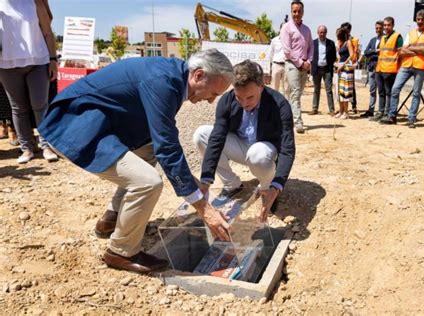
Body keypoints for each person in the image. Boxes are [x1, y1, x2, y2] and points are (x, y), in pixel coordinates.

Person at [38, 49, 235, 274]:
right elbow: (167, 146)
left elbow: (162, 138)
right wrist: (204, 208)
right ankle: (121, 251)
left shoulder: (173, 77)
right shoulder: (164, 81)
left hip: (98, 122)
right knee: (148, 182)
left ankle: (112, 218)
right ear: (198, 75)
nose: (211, 101)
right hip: (76, 126)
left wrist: (190, 182)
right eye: (213, 93)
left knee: (149, 148)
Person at [193, 60, 295, 222]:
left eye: (250, 97)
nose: (244, 103)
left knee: (258, 155)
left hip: (265, 151)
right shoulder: (227, 100)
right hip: (241, 146)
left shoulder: (279, 105)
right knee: (202, 134)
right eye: (239, 97)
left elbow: (287, 148)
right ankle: (232, 184)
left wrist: (277, 186)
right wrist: (205, 180)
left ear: (261, 86)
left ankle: (267, 189)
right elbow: (217, 137)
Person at [0, 0, 58, 163]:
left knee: (40, 105)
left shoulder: (35, 2)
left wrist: (53, 60)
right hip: (6, 64)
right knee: (18, 108)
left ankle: (46, 146)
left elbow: (48, 33)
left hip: (38, 61)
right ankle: (26, 148)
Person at [380, 9, 424, 128]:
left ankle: (411, 118)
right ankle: (392, 116)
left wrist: (411, 48)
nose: (419, 21)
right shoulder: (410, 33)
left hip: (421, 66)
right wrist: (417, 50)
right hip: (406, 65)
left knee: (416, 93)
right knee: (395, 89)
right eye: (418, 19)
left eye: (422, 19)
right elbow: (401, 51)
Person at [281, 0, 314, 134]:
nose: (296, 13)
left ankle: (284, 117)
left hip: (305, 66)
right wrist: (301, 62)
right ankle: (298, 122)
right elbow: (287, 50)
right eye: (294, 11)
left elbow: (311, 47)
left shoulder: (307, 29)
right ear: (291, 12)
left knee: (297, 95)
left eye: (299, 11)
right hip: (292, 65)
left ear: (303, 12)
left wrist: (309, 62)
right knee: (295, 93)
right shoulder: (286, 28)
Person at [370, 17, 404, 122]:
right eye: (385, 25)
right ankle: (380, 112)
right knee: (381, 92)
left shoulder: (397, 37)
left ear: (393, 25)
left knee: (389, 93)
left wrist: (398, 67)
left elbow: (401, 53)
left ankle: (387, 113)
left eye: (388, 25)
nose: (386, 27)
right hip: (379, 69)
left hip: (390, 70)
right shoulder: (383, 37)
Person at [310, 25, 337, 115]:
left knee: (329, 90)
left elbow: (334, 57)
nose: (322, 34)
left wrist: (329, 63)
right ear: (318, 33)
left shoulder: (331, 43)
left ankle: (331, 110)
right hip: (316, 69)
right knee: (316, 90)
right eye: (320, 32)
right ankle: (314, 109)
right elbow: (310, 55)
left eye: (324, 32)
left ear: (326, 33)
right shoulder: (312, 43)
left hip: (327, 70)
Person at [360, 21, 384, 118]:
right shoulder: (372, 40)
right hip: (371, 68)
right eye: (376, 28)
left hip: (382, 68)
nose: (378, 30)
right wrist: (375, 51)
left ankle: (381, 111)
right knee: (372, 90)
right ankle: (371, 110)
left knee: (382, 91)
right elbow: (366, 52)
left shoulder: (385, 39)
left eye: (380, 28)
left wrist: (372, 53)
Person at [335, 27, 355, 119]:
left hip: (346, 67)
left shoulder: (348, 43)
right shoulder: (340, 43)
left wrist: (343, 65)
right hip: (340, 67)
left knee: (346, 90)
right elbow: (339, 56)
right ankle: (341, 110)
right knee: (339, 90)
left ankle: (346, 112)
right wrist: (338, 64)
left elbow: (351, 55)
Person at [341, 22, 360, 114]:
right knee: (343, 87)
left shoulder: (354, 40)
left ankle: (353, 105)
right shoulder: (341, 41)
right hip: (342, 66)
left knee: (351, 87)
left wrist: (356, 63)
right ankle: (343, 108)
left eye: (346, 29)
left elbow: (357, 52)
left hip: (350, 66)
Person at [269, 23, 290, 99]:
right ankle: (274, 106)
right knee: (274, 88)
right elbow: (270, 54)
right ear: (280, 29)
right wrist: (271, 67)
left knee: (287, 88)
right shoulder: (274, 40)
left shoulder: (290, 40)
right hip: (276, 65)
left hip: (287, 65)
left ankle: (287, 106)